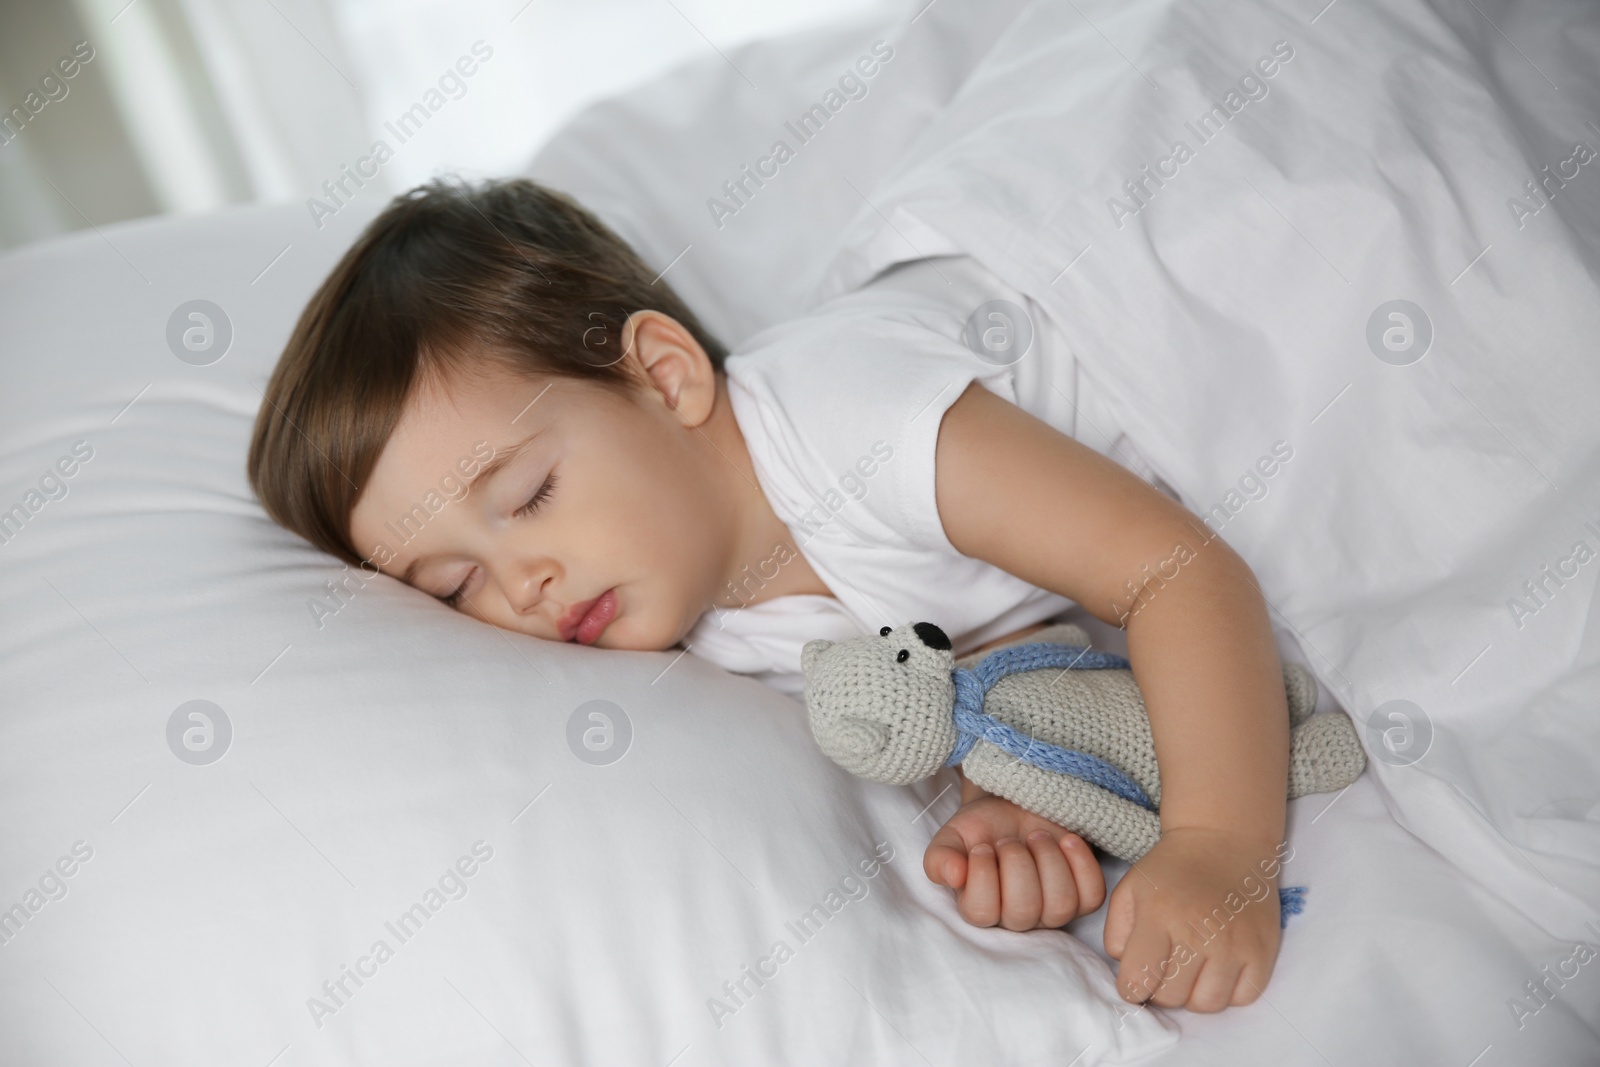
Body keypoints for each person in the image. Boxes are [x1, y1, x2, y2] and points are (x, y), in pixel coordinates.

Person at [248, 176, 1292, 1014]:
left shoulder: (850, 415)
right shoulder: (713, 634)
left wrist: (1218, 846)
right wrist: (1005, 801)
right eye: (456, 582)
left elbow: (1173, 569)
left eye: (530, 494)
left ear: (664, 375)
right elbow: (989, 629)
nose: (525, 583)